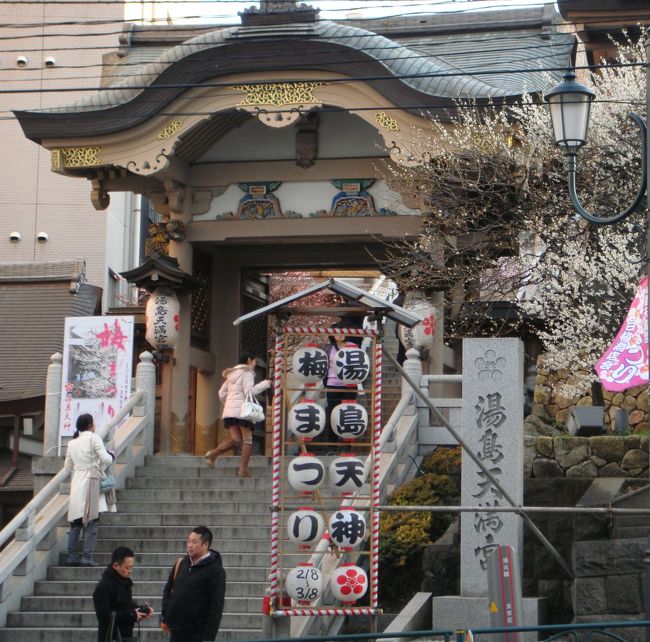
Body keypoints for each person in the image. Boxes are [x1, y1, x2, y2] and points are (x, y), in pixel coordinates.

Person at [205, 351, 271, 478]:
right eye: (254, 361)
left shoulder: (231, 375)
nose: (255, 364)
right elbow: (249, 392)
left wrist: (229, 404)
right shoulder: (247, 373)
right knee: (247, 440)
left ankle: (213, 454)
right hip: (242, 412)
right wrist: (266, 384)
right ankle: (243, 470)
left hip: (230, 413)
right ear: (249, 360)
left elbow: (221, 394)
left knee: (236, 440)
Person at [64, 413, 115, 566]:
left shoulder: (72, 443)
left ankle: (72, 556)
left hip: (77, 482)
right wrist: (111, 455)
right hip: (91, 481)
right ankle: (87, 557)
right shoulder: (94, 438)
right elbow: (106, 459)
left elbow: (67, 467)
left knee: (76, 522)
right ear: (90, 425)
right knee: (92, 520)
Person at [161, 526, 226, 642]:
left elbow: (216, 607)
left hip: (197, 633)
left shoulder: (215, 570)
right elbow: (168, 589)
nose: (189, 545)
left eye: (194, 542)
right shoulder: (181, 563)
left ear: (205, 544)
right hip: (176, 631)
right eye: (189, 541)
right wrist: (166, 613)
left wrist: (208, 637)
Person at [93, 546, 153, 642]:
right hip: (111, 637)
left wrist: (141, 610)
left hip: (125, 636)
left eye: (131, 567)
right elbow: (104, 616)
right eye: (127, 567)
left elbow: (126, 606)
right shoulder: (103, 586)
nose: (130, 571)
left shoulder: (124, 582)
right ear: (116, 566)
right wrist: (131, 615)